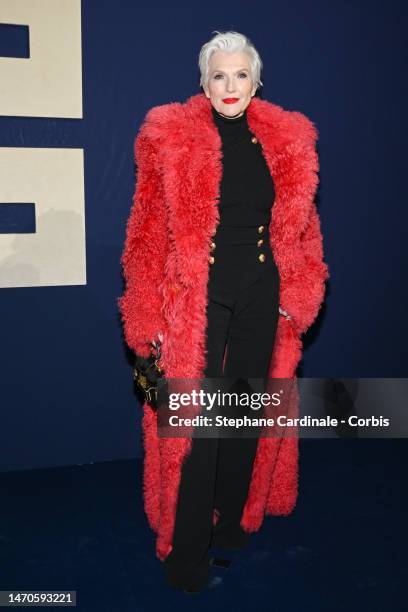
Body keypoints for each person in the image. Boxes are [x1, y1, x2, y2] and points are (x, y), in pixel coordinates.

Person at [118, 30, 329, 593]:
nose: (230, 86)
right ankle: (187, 552)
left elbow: (305, 232)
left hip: (264, 294)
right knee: (197, 426)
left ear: (257, 81)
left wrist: (299, 296)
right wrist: (145, 315)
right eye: (219, 75)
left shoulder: (290, 137)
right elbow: (144, 232)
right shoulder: (168, 135)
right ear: (203, 83)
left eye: (241, 75)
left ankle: (232, 522)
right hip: (198, 296)